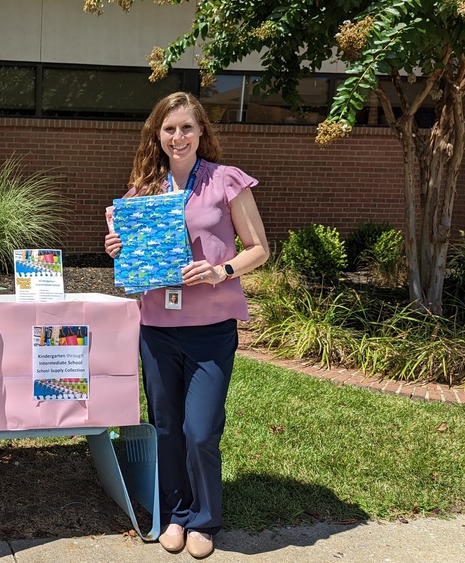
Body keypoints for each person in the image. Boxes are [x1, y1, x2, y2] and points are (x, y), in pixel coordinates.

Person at [104, 92, 269, 559]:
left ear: (202, 133)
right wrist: (119, 247)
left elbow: (259, 248)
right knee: (167, 428)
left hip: (211, 327)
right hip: (155, 325)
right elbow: (131, 255)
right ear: (158, 135)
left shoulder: (225, 181)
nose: (178, 137)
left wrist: (223, 271)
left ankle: (204, 519)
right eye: (169, 129)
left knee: (200, 431)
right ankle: (175, 513)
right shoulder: (142, 191)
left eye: (187, 128)